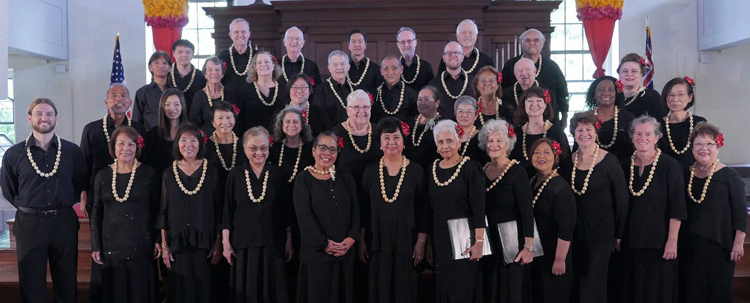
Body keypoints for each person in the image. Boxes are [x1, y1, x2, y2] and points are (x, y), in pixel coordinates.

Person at [1, 98, 88, 303]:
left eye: (49, 114)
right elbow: (9, 189)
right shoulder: (14, 154)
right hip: (30, 224)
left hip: (63, 222)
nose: (44, 118)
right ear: (29, 118)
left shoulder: (72, 151)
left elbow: (80, 183)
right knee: (31, 283)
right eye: (39, 113)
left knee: (66, 281)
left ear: (56, 118)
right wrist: (32, 206)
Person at [79, 83, 148, 303]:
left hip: (135, 199)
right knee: (102, 251)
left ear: (129, 102)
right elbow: (84, 165)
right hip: (101, 196)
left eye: (123, 96)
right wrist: (83, 194)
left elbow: (145, 163)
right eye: (113, 95)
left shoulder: (140, 128)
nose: (119, 99)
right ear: (106, 101)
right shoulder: (91, 129)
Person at [559, 111, 628, 303]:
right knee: (576, 284)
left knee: (594, 285)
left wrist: (619, 233)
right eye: (579, 129)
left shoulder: (610, 161)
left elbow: (621, 199)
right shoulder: (568, 162)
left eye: (588, 129)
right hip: (573, 234)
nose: (584, 133)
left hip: (601, 234)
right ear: (573, 133)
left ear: (596, 132)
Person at [361, 117, 429, 303]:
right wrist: (362, 240)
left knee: (405, 291)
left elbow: (423, 209)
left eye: (396, 137)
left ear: (403, 141)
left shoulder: (416, 171)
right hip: (377, 243)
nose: (392, 142)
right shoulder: (370, 171)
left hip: (407, 242)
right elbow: (364, 210)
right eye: (386, 138)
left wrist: (421, 241)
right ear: (380, 143)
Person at [90, 126, 160, 303]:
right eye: (121, 144)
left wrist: (159, 239)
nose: (126, 149)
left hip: (142, 245)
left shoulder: (149, 174)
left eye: (131, 144)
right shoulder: (103, 175)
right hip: (110, 246)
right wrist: (96, 244)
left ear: (138, 147)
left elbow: (158, 210)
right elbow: (97, 211)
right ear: (113, 146)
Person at [620, 116, 685, 303]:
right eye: (638, 134)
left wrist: (672, 241)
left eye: (648, 134)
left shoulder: (669, 165)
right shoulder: (624, 165)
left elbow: (677, 206)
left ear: (657, 137)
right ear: (632, 137)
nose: (643, 138)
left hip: (660, 244)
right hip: (630, 243)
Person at [222, 126, 291, 303]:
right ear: (244, 148)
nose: (258, 152)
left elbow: (286, 210)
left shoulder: (277, 174)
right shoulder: (235, 174)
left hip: (273, 242)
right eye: (253, 148)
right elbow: (228, 210)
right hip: (243, 244)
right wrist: (225, 243)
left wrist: (289, 239)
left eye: (263, 148)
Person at [680, 122, 746, 303]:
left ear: (718, 146)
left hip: (720, 247)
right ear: (692, 147)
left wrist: (738, 243)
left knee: (718, 293)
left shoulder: (729, 176)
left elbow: (740, 212)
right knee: (692, 292)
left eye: (710, 144)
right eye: (699, 144)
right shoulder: (685, 174)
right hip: (690, 246)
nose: (704, 148)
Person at [293, 132, 361, 303]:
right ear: (314, 150)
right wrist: (324, 244)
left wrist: (352, 237)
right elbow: (304, 217)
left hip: (344, 253)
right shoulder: (303, 179)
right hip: (316, 254)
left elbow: (355, 208)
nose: (327, 153)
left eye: (333, 149)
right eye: (323, 148)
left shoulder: (345, 176)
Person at [158, 124, 221, 303]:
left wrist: (217, 241)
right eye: (183, 140)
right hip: (177, 244)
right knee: (179, 291)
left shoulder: (212, 170)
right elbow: (163, 211)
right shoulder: (169, 173)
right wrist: (164, 245)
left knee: (205, 290)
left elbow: (218, 209)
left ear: (200, 144)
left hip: (205, 244)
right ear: (177, 144)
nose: (188, 145)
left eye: (193, 140)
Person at [330, 89, 382, 300]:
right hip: (346, 207)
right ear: (346, 109)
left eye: (365, 107)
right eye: (356, 107)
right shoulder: (335, 134)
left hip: (378, 204)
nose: (361, 111)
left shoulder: (379, 132)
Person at [428, 119, 485, 303]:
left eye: (449, 141)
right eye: (441, 142)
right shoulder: (432, 170)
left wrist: (479, 242)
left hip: (464, 237)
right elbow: (429, 209)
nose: (445, 146)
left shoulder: (470, 167)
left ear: (459, 141)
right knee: (443, 287)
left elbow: (479, 208)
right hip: (440, 237)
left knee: (462, 288)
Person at [478, 118, 534, 303]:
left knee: (510, 292)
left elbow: (527, 212)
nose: (494, 145)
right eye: (490, 140)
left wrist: (528, 247)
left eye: (499, 141)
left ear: (507, 144)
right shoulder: (482, 170)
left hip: (512, 242)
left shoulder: (517, 172)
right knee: (490, 290)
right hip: (488, 240)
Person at [269, 106, 316, 292]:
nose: (291, 125)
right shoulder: (274, 149)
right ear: (281, 124)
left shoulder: (310, 149)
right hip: (279, 210)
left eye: (295, 121)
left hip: (303, 209)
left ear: (302, 124)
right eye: (287, 121)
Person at [528, 138, 576, 303]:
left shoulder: (561, 189)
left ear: (555, 156)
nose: (541, 156)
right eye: (537, 152)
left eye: (547, 152)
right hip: (537, 256)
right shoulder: (533, 180)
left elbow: (566, 229)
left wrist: (559, 259)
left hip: (554, 258)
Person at [501, 29, 568, 126]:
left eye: (536, 40)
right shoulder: (511, 65)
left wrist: (564, 117)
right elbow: (503, 90)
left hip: (546, 120)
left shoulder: (552, 66)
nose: (532, 43)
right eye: (527, 40)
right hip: (515, 121)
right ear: (521, 43)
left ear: (542, 43)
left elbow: (562, 93)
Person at [510, 87, 569, 178]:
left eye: (539, 100)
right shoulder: (516, 133)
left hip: (550, 184)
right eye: (529, 101)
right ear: (523, 105)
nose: (534, 104)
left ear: (545, 105)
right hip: (521, 183)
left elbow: (565, 164)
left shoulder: (557, 132)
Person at [657, 76, 706, 167]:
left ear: (690, 97)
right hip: (665, 175)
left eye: (680, 94)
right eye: (671, 95)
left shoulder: (700, 123)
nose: (675, 99)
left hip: (693, 174)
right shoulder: (657, 125)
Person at [583, 76, 635, 160]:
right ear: (594, 94)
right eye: (601, 89)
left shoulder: (627, 117)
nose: (606, 93)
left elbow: (633, 148)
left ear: (617, 93)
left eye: (611, 89)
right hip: (591, 168)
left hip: (622, 168)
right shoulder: (585, 118)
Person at [143, 88, 189, 176]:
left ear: (182, 106)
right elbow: (149, 164)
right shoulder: (153, 134)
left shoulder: (190, 132)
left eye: (176, 104)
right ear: (162, 107)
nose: (172, 108)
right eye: (167, 104)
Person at [189, 56, 241, 132]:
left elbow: (237, 119)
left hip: (229, 138)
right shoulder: (199, 96)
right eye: (210, 70)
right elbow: (194, 123)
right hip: (206, 140)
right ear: (205, 74)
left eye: (217, 70)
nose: (214, 73)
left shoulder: (231, 94)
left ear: (222, 74)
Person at [501, 58, 558, 124]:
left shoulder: (547, 93)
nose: (524, 74)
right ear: (515, 74)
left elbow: (554, 120)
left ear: (535, 71)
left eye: (527, 70)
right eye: (520, 71)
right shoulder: (506, 95)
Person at [429, 41, 474, 120]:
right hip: (442, 130)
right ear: (444, 58)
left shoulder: (474, 82)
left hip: (469, 130)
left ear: (462, 57)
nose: (453, 56)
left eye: (456, 53)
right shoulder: (433, 84)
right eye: (449, 53)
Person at [243, 50, 285, 130]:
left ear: (273, 65)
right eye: (259, 62)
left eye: (266, 61)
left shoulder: (283, 90)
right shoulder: (245, 91)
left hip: (278, 139)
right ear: (255, 67)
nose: (263, 65)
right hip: (253, 139)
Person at [404, 85, 443, 171]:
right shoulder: (408, 122)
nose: (422, 103)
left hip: (432, 172)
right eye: (419, 99)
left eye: (426, 99)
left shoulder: (443, 125)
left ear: (437, 103)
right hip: (407, 172)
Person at [369, 55, 418, 123]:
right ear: (381, 71)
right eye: (386, 69)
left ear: (401, 69)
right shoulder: (374, 94)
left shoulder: (412, 95)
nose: (390, 72)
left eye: (394, 68)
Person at [617, 53, 664, 118]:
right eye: (625, 71)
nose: (629, 74)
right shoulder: (612, 96)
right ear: (619, 73)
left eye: (634, 71)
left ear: (641, 73)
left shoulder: (653, 97)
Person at [284, 73, 332, 137]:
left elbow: (329, 136)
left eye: (303, 87)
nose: (299, 91)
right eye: (295, 87)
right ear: (289, 90)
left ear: (309, 91)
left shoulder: (319, 112)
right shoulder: (281, 113)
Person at [313, 50, 353, 125]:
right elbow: (319, 118)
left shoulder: (355, 89)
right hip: (331, 134)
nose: (339, 67)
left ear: (348, 67)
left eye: (342, 64)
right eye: (335, 64)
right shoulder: (321, 90)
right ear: (329, 68)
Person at [167, 39, 207, 113]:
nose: (184, 55)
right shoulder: (166, 75)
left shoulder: (202, 76)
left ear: (193, 54)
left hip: (195, 120)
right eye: (180, 52)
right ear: (173, 53)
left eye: (188, 52)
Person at [133, 51, 171, 129]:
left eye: (164, 63)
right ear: (150, 67)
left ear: (170, 68)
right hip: (150, 137)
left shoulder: (175, 92)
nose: (161, 66)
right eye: (157, 63)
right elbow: (136, 120)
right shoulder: (142, 92)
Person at [218, 18, 254, 90]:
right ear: (231, 35)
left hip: (253, 99)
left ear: (249, 34)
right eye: (236, 32)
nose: (240, 35)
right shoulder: (223, 56)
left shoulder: (257, 56)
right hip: (228, 99)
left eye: (243, 31)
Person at [396, 27, 434, 91]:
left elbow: (432, 91)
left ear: (415, 42)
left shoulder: (426, 67)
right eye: (402, 42)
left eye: (409, 41)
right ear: (398, 45)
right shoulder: (394, 68)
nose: (406, 45)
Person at [453, 96, 486, 163]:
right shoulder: (450, 135)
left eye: (469, 112)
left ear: (476, 116)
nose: (464, 115)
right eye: (460, 111)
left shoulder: (482, 138)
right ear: (455, 114)